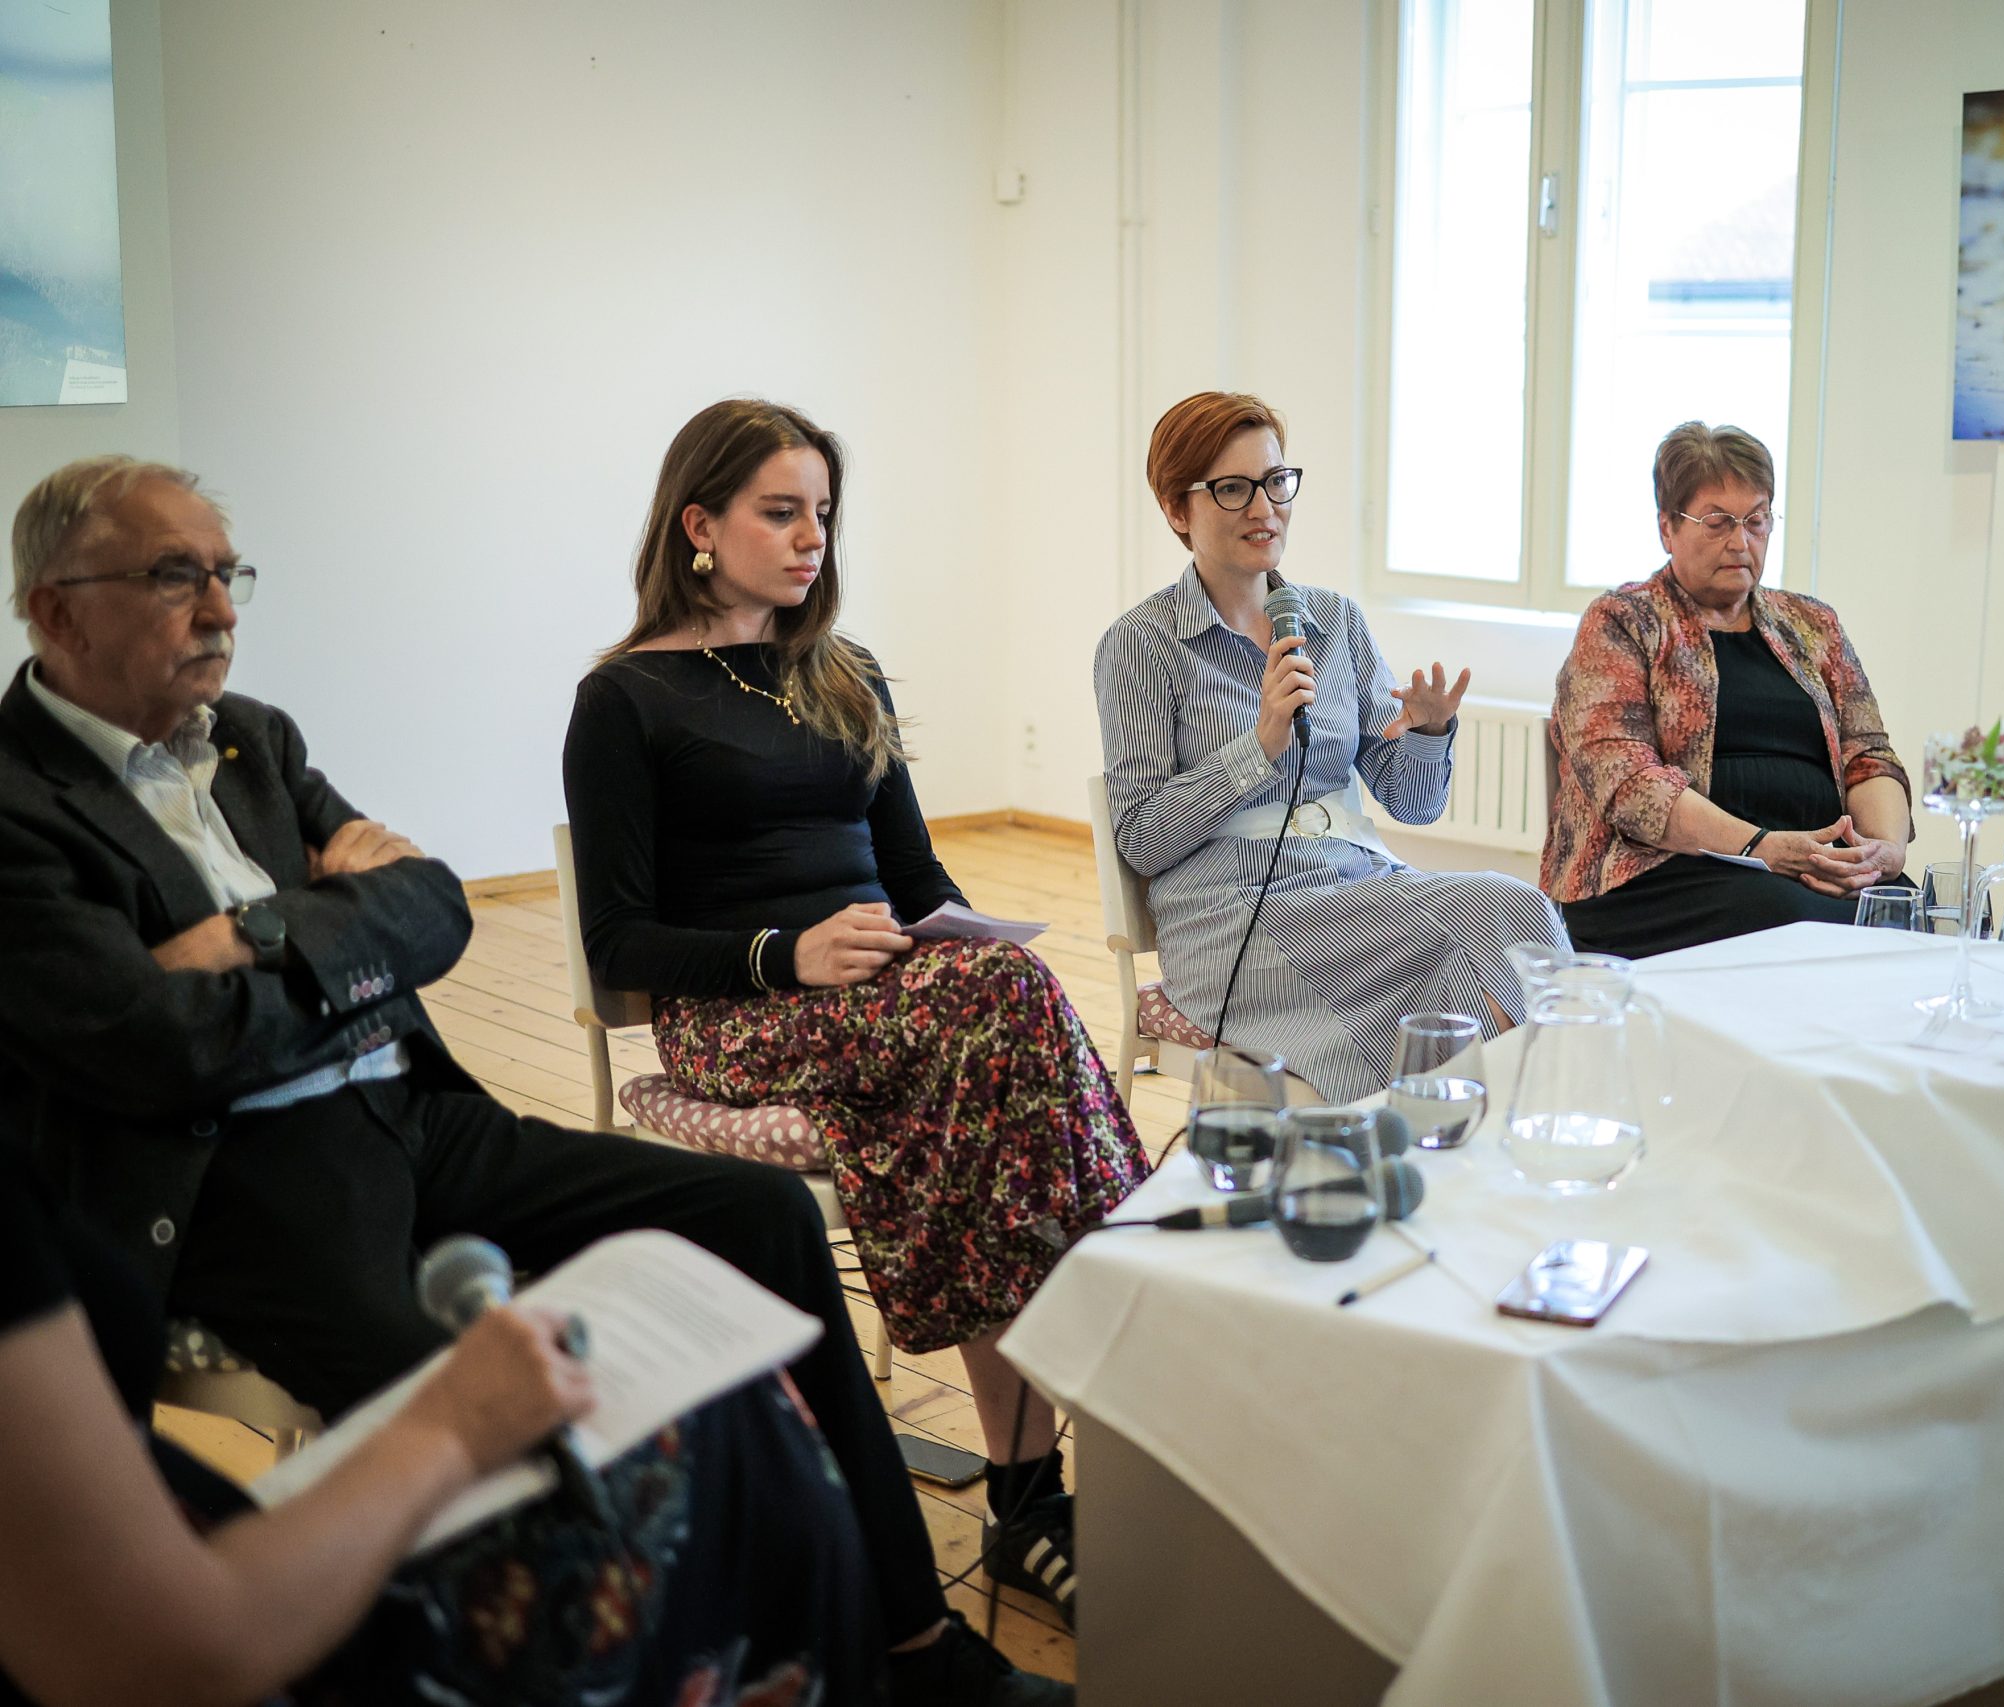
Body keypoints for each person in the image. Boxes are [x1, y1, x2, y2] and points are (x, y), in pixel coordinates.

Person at [0, 455, 1065, 1704]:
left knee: (765, 1217)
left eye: (228, 574)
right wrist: (342, 925)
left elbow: (434, 906)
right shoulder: (19, 803)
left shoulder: (251, 741)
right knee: (477, 1415)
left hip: (414, 1115)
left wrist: (256, 936)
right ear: (58, 608)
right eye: (176, 577)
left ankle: (909, 1646)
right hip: (239, 1176)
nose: (223, 609)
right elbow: (158, 1044)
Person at [564, 398, 1146, 1628]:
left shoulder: (844, 669)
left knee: (1004, 1008)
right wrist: (789, 953)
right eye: (780, 512)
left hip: (887, 996)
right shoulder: (625, 699)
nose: (811, 538)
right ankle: (1102, 1354)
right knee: (1004, 1021)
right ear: (697, 525)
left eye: (822, 513)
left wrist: (961, 935)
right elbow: (618, 942)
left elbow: (918, 879)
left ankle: (1030, 1487)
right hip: (739, 1013)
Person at [0, 1147, 877, 1707]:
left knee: (733, 1402)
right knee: (722, 1437)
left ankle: (906, 1632)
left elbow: (427, 922)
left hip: (201, 1548)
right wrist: (453, 1424)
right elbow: (167, 1655)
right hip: (237, 1630)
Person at [1094, 391, 1570, 1102]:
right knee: (1491, 919)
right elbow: (1139, 839)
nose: (1265, 508)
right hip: (1233, 922)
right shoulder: (1141, 643)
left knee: (1512, 920)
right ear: (1176, 509)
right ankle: (1453, 1122)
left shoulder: (1334, 620)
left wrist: (1429, 733)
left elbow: (1412, 802)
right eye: (1233, 489)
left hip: (1356, 888)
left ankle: (1469, 1122)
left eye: (1276, 481)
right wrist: (1259, 746)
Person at [1544, 422, 1910, 957]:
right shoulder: (1624, 621)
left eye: (1756, 521)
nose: (1740, 542)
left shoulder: (1814, 624)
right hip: (1662, 872)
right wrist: (1761, 847)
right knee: (1794, 924)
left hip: (1811, 867)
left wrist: (1883, 853)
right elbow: (1629, 783)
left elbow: (1869, 756)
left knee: (1912, 911)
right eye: (1717, 523)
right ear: (1667, 528)